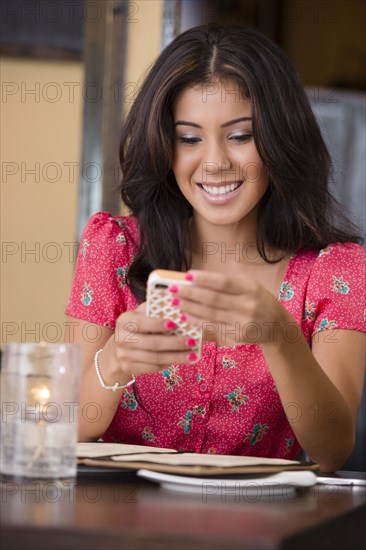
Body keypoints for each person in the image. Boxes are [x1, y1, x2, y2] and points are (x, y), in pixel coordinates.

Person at [65, 24, 365, 472]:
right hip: (120, 518)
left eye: (240, 135)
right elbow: (67, 427)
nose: (215, 162)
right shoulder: (114, 246)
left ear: (281, 138)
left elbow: (332, 448)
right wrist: (115, 361)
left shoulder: (335, 269)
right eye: (189, 139)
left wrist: (279, 335)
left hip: (260, 526)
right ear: (166, 146)